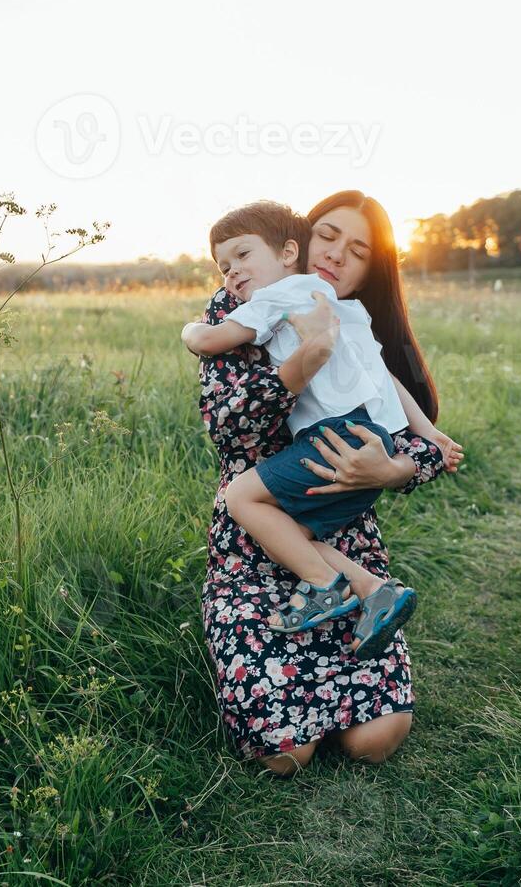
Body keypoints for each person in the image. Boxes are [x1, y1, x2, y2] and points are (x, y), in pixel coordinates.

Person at [195, 193, 462, 774]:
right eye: (330, 235)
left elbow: (415, 437)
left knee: (375, 741)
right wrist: (309, 354)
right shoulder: (243, 306)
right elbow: (228, 427)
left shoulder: (353, 319)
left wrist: (395, 470)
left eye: (358, 251)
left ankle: (357, 592)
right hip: (255, 552)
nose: (338, 256)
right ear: (298, 240)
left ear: (372, 270)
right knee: (287, 754)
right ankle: (347, 593)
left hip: (342, 533)